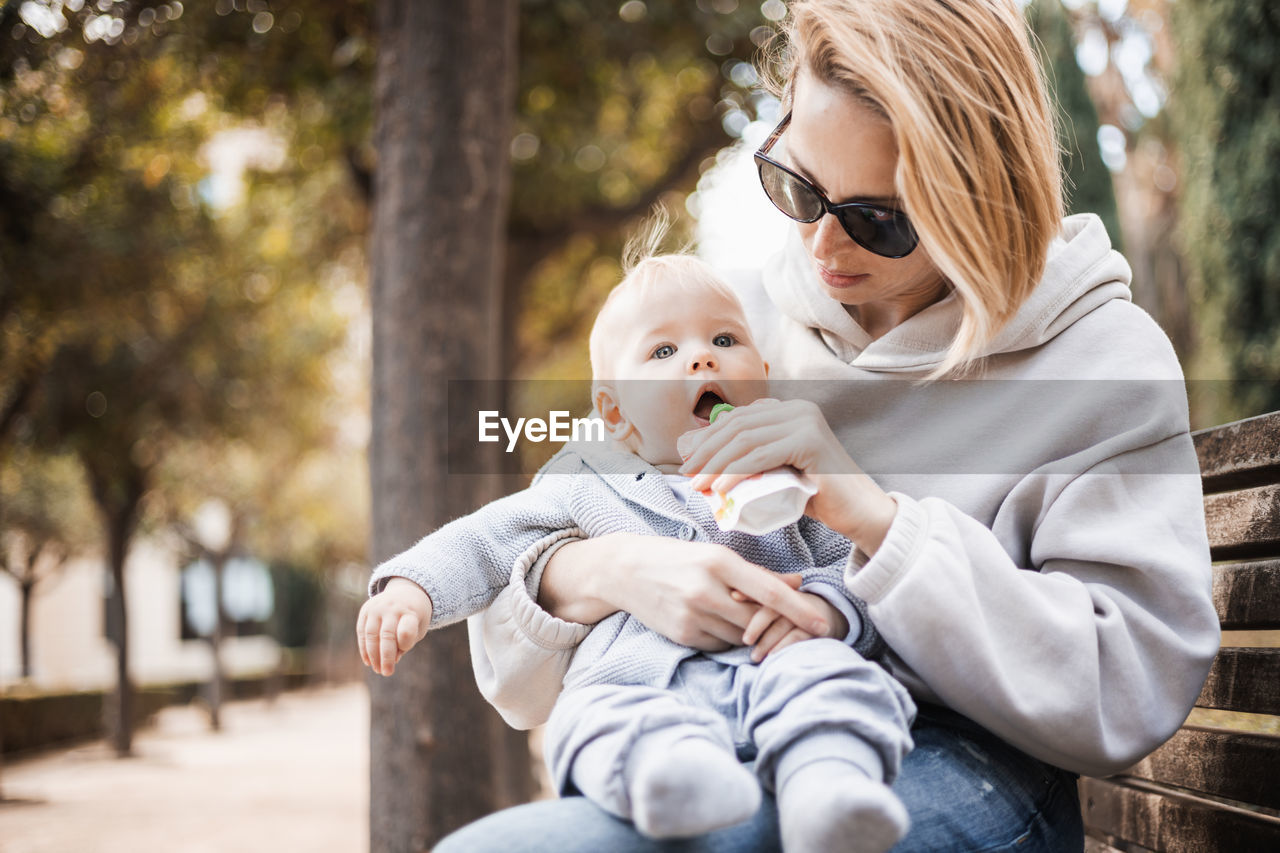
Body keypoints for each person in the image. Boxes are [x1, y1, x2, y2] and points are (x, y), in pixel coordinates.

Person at [433, 1, 1221, 851]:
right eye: (797, 187)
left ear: (983, 197)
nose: (820, 246)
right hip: (701, 723)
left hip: (970, 759)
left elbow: (1126, 680)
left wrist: (877, 520)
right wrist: (615, 568)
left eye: (878, 219)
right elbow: (516, 669)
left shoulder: (1101, 357)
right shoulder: (725, 330)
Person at [358, 248, 917, 852]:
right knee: (586, 719)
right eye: (662, 352)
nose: (702, 357)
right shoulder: (585, 476)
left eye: (724, 339)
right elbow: (486, 538)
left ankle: (827, 791)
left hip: (776, 660)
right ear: (615, 412)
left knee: (834, 678)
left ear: (762, 370)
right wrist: (412, 589)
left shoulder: (791, 469)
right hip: (637, 683)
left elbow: (856, 563)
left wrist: (829, 612)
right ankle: (669, 784)